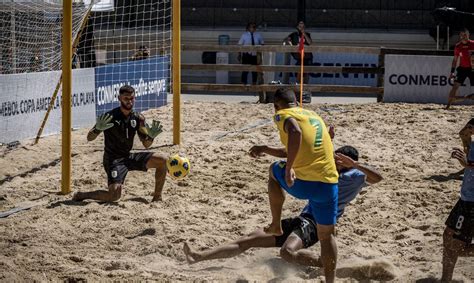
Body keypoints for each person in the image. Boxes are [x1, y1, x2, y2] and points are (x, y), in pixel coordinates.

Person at [183, 145, 382, 268]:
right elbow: (292, 154)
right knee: (248, 240)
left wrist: (354, 164)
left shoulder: (354, 176)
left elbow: (378, 178)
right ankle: (198, 256)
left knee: (287, 253)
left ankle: (325, 263)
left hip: (316, 223)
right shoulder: (325, 168)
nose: (334, 161)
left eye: (338, 159)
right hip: (303, 219)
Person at [247, 88, 338, 282]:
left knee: (273, 171)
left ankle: (276, 225)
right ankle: (331, 281)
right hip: (329, 182)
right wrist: (264, 149)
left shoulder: (282, 115)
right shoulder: (314, 115)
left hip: (305, 182)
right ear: (296, 101)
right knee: (327, 236)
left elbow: (295, 132)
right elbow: (294, 149)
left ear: (275, 106)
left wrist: (288, 169)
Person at [72, 85, 168, 203]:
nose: (129, 101)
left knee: (163, 159)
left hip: (128, 156)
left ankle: (157, 197)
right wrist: (97, 129)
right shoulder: (110, 117)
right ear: (119, 98)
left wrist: (151, 137)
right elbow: (89, 137)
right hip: (113, 160)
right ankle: (82, 195)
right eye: (126, 98)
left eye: (132, 98)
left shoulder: (138, 118)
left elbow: (146, 145)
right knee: (114, 196)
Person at [441, 119, 474, 282]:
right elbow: (463, 133)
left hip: (472, 202)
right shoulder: (471, 141)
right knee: (449, 239)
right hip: (467, 199)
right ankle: (445, 280)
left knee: (453, 243)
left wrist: (467, 165)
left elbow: (469, 164)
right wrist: (467, 132)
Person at [446, 29, 474, 109]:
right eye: (461, 35)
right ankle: (448, 106)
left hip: (472, 69)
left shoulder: (473, 44)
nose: (463, 36)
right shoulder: (458, 46)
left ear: (468, 35)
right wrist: (452, 72)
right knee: (454, 87)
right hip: (462, 69)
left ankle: (467, 97)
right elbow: (455, 60)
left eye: (465, 35)